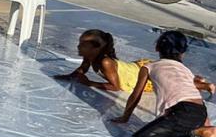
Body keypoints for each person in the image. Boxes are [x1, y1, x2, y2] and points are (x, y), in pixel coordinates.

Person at [112, 31, 216, 137]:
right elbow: (193, 94)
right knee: (171, 135)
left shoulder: (148, 67)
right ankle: (201, 130)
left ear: (157, 48)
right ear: (182, 52)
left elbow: (135, 95)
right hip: (199, 112)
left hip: (180, 113)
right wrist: (205, 123)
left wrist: (125, 117)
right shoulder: (185, 70)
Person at [57, 28, 213, 95]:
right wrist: (68, 76)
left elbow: (115, 87)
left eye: (83, 44)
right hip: (135, 69)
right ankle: (195, 80)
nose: (79, 46)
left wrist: (89, 83)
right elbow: (81, 70)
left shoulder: (105, 62)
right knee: (171, 75)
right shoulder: (90, 56)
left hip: (139, 77)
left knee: (170, 82)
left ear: (95, 48)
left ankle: (204, 85)